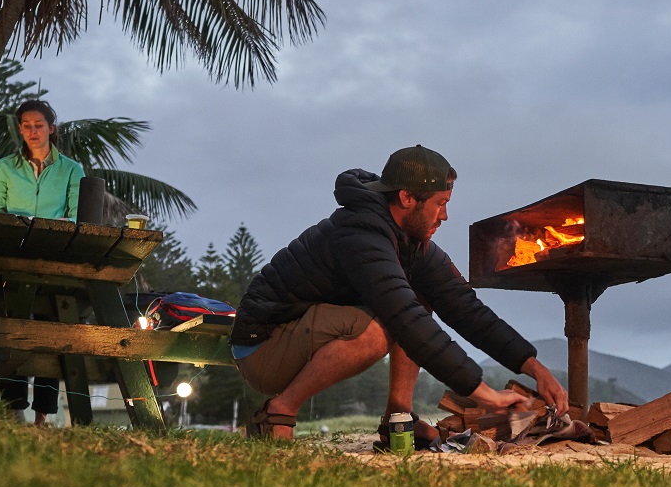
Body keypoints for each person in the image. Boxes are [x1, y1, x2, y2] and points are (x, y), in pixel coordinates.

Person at [230, 144, 569, 443]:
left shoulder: (409, 242)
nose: (446, 215)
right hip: (264, 347)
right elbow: (405, 319)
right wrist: (484, 394)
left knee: (420, 298)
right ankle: (279, 411)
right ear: (407, 198)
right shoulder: (361, 233)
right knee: (386, 326)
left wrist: (535, 368)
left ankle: (398, 420)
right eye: (440, 203)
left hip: (302, 332)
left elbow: (465, 308)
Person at [0, 99, 86, 425]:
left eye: (38, 125)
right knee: (10, 329)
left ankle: (43, 415)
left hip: (54, 260)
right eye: (26, 126)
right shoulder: (4, 167)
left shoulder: (72, 169)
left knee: (49, 333)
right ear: (20, 129)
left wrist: (48, 233)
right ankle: (13, 408)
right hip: (12, 258)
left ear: (51, 129)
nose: (32, 131)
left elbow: (77, 217)